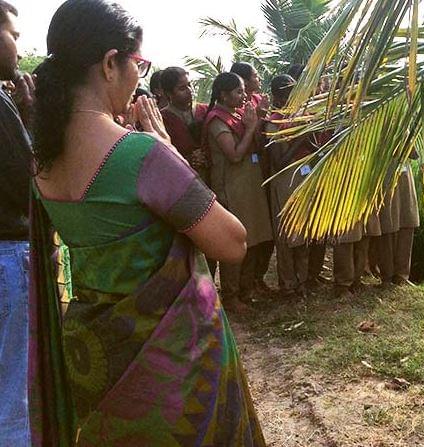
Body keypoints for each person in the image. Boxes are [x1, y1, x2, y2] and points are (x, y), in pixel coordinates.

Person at [29, 1, 265, 444]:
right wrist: (169, 152)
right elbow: (233, 243)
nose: (139, 76)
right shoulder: (141, 154)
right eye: (138, 63)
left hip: (98, 361)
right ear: (109, 63)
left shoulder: (43, 162)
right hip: (172, 369)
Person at [204, 72, 274, 308]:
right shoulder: (217, 120)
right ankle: (231, 295)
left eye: (244, 91)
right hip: (231, 188)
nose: (244, 96)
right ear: (223, 95)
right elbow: (234, 155)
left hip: (249, 185)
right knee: (235, 242)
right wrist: (252, 126)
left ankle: (247, 290)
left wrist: (258, 120)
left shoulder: (239, 115)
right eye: (238, 92)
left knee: (253, 237)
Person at [0, 2, 33, 444]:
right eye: (14, 34)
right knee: (14, 397)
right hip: (7, 255)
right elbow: (28, 179)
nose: (19, 47)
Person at [266, 74, 316, 297]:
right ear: (278, 97)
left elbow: (312, 147)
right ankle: (287, 283)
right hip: (286, 180)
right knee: (288, 234)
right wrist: (300, 139)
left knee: (304, 232)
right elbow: (279, 162)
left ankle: (302, 280)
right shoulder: (274, 123)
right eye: (289, 93)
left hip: (303, 176)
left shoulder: (300, 116)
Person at [375, 158, 421, 287]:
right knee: (388, 225)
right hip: (386, 174)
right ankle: (387, 276)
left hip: (405, 177)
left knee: (407, 222)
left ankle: (401, 275)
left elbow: (415, 155)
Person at [159, 66, 209, 178]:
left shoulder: (205, 111)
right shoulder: (162, 119)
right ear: (169, 93)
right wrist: (190, 159)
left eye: (190, 85)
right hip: (181, 178)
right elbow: (163, 156)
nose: (190, 90)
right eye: (182, 88)